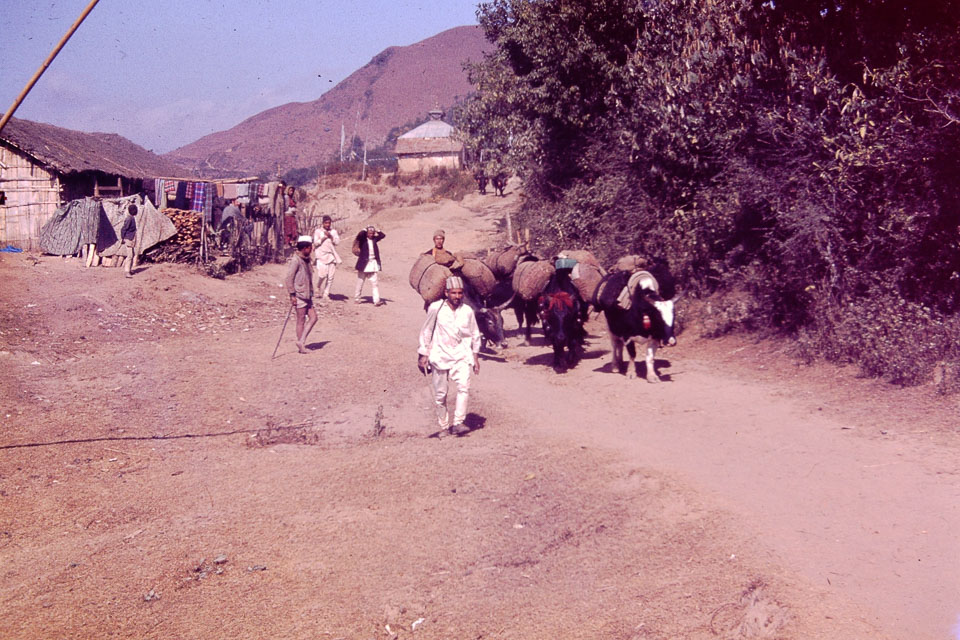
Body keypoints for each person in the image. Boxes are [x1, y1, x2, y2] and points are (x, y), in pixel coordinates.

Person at [418, 276, 482, 436]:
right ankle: (444, 426)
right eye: (454, 293)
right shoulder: (436, 308)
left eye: (460, 293)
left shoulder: (467, 311)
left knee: (464, 387)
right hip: (439, 355)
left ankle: (458, 423)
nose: (457, 296)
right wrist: (423, 354)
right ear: (446, 293)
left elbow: (475, 333)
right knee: (440, 394)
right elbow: (427, 331)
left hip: (461, 355)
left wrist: (475, 357)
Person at [284, 235, 317, 354]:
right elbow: (289, 278)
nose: (311, 249)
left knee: (314, 318)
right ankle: (301, 345)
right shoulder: (296, 260)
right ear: (304, 248)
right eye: (310, 247)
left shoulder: (307, 260)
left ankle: (301, 341)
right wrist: (292, 295)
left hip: (307, 295)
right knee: (301, 320)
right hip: (299, 295)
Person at [353, 225, 386, 305]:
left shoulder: (374, 239)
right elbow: (360, 234)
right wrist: (365, 229)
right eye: (369, 233)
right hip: (363, 264)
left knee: (375, 283)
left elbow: (382, 235)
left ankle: (376, 301)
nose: (371, 235)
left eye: (372, 233)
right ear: (367, 233)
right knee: (360, 282)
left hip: (373, 264)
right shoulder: (363, 240)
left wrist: (377, 230)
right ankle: (357, 298)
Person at [312, 215, 341, 301]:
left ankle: (326, 294)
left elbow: (337, 242)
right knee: (322, 275)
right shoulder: (318, 231)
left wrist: (331, 237)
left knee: (330, 277)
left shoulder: (333, 232)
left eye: (329, 223)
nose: (327, 225)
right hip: (321, 255)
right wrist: (324, 237)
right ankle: (318, 286)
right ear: (323, 223)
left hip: (331, 255)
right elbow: (315, 243)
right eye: (326, 223)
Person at [119, 203, 138, 278]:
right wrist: (123, 238)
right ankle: (127, 271)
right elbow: (123, 229)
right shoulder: (129, 219)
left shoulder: (131, 218)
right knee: (130, 255)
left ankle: (129, 269)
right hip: (128, 238)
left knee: (132, 254)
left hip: (131, 238)